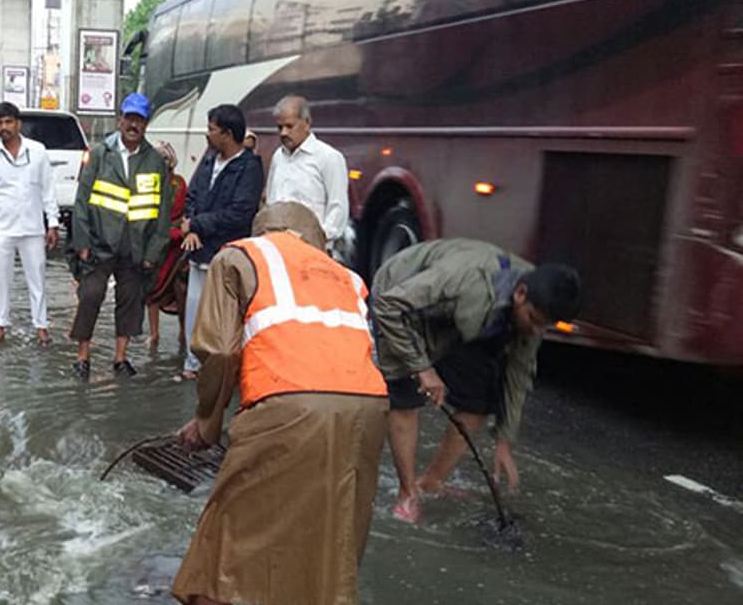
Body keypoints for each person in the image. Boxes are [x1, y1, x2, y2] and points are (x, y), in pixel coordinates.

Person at [172, 203, 388, 605]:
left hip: (290, 403)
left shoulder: (240, 255)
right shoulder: (349, 277)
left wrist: (207, 421)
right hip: (370, 411)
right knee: (328, 547)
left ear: (262, 229)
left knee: (221, 548)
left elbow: (219, 350)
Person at [371, 238, 581, 522]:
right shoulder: (465, 279)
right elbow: (389, 305)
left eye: (543, 326)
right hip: (403, 301)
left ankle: (433, 481)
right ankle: (408, 492)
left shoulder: (536, 303)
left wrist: (505, 438)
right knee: (406, 394)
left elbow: (519, 373)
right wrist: (423, 368)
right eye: (533, 320)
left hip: (469, 317)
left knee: (479, 402)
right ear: (520, 294)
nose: (535, 331)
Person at [68, 92, 172, 379]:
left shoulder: (154, 161)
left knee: (130, 299)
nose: (133, 125)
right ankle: (82, 357)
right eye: (129, 118)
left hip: (135, 246)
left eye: (139, 120)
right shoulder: (101, 154)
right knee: (90, 295)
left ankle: (120, 357)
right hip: (100, 242)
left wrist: (153, 253)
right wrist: (82, 242)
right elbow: (81, 201)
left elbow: (162, 212)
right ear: (120, 120)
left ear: (146, 125)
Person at [179, 104, 264, 380]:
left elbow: (239, 214)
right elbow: (192, 197)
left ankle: (225, 369)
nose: (207, 135)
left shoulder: (249, 168)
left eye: (211, 130)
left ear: (227, 134)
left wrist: (197, 225)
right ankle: (193, 363)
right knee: (194, 309)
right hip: (199, 251)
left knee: (226, 315)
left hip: (228, 255)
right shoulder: (208, 160)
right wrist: (191, 227)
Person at [0, 102, 59, 345]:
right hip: (3, 230)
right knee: (1, 280)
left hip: (32, 229)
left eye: (8, 122)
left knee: (37, 279)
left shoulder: (37, 151)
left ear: (18, 124)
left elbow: (48, 190)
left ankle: (41, 327)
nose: (4, 127)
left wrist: (53, 223)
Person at [265, 94, 349, 249]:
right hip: (279, 246)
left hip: (312, 249)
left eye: (290, 126)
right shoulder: (278, 156)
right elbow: (272, 200)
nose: (283, 133)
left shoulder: (328, 157)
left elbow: (338, 209)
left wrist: (318, 237)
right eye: (279, 127)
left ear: (307, 123)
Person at [144, 142, 188, 352]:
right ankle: (154, 334)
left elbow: (184, 211)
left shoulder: (179, 184)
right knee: (151, 290)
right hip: (155, 242)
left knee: (181, 288)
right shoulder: (148, 184)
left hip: (177, 243)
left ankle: (183, 332)